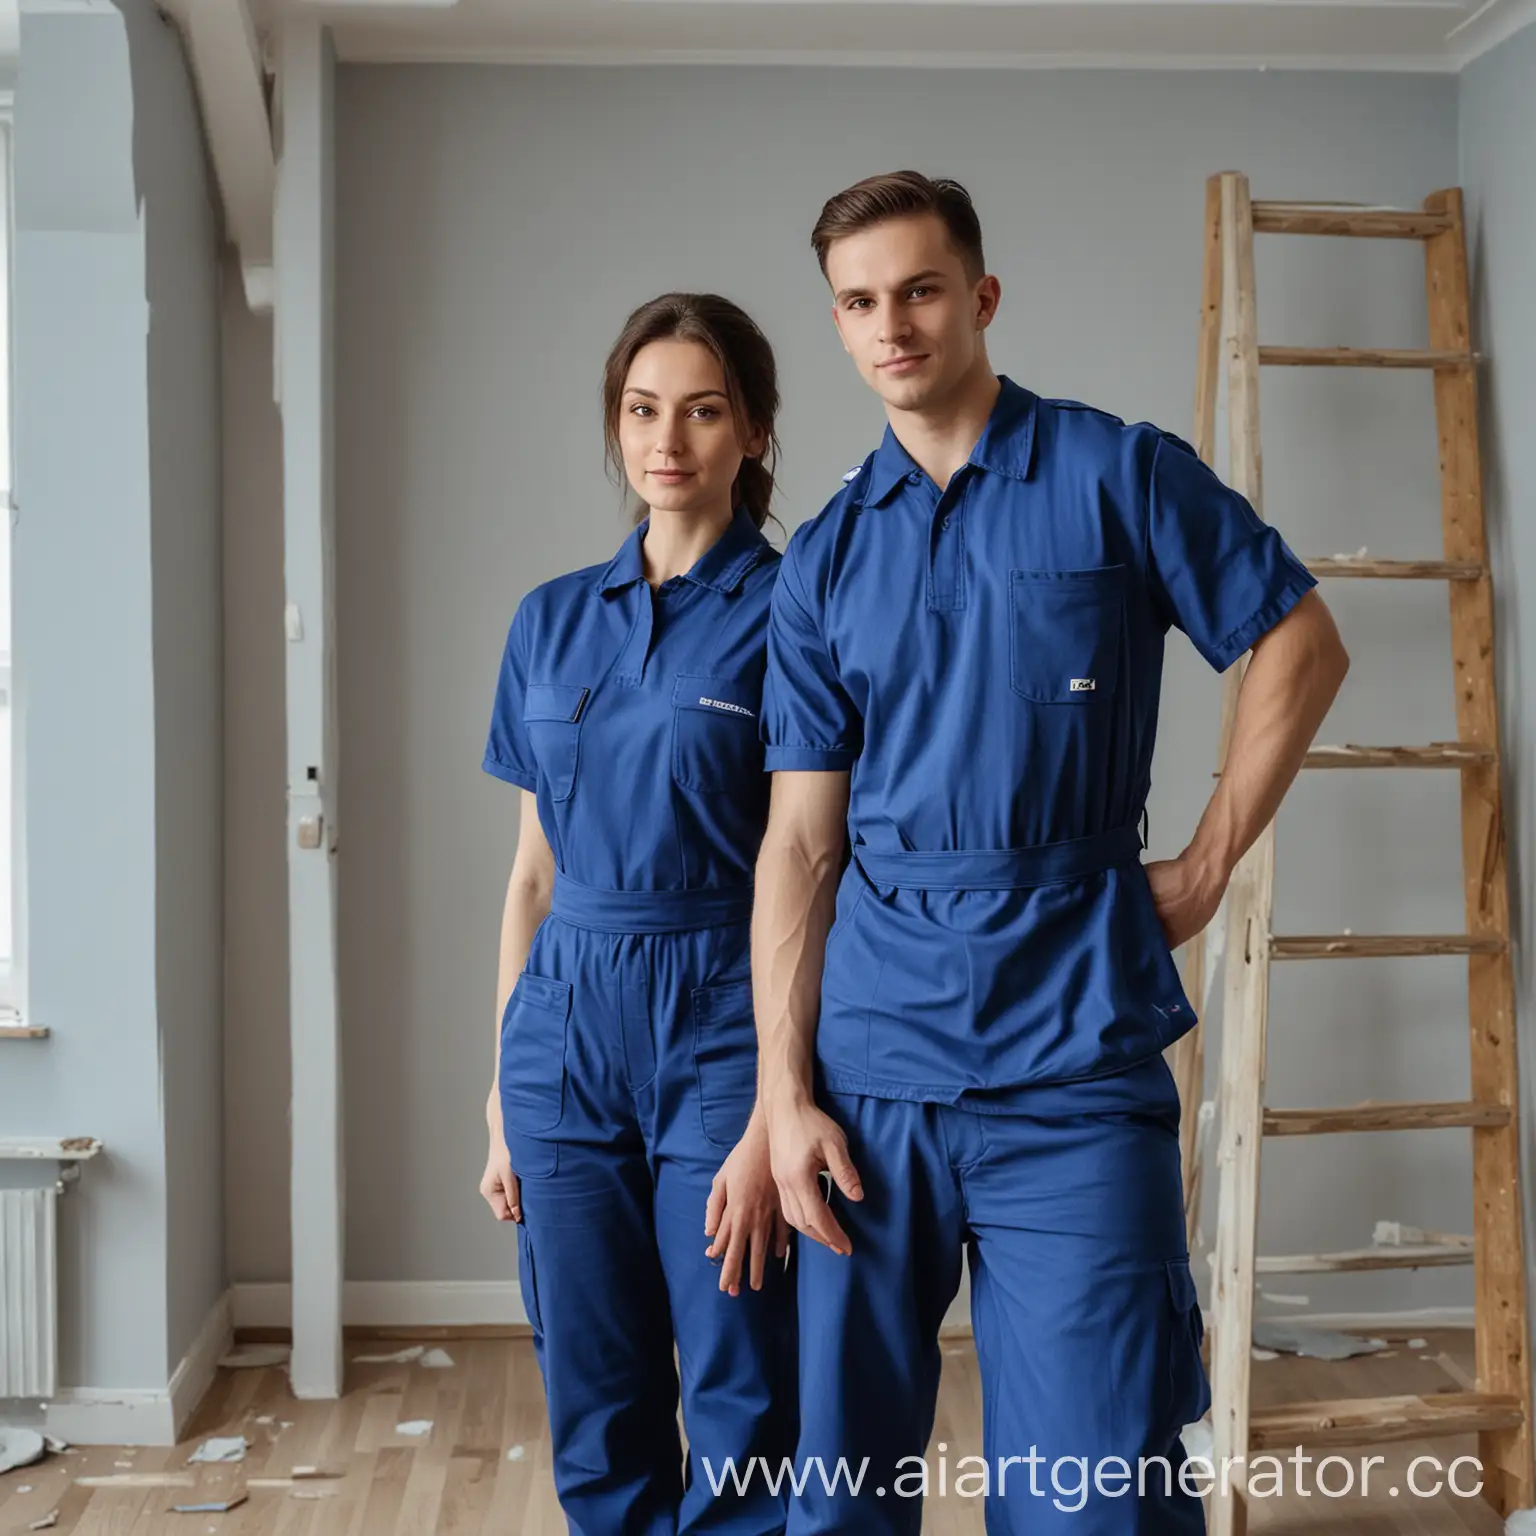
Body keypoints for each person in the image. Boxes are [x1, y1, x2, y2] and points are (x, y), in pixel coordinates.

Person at [750, 172, 1350, 1534]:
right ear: (838, 327)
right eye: (859, 302)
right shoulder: (828, 559)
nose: (891, 323)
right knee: (840, 1493)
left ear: (979, 296)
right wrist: (785, 1093)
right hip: (873, 1074)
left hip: (1074, 1065)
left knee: (1100, 1493)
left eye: (917, 289)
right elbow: (798, 845)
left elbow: (1298, 643)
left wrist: (1203, 866)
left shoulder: (1116, 473)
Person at [480, 292, 796, 1534]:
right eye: (643, 408)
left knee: (743, 1384)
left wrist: (783, 1088)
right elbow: (530, 878)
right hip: (562, 1033)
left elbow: (810, 860)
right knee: (594, 1392)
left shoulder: (795, 611)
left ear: (755, 432)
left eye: (704, 410)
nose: (668, 438)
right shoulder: (550, 619)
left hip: (724, 1017)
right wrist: (503, 1084)